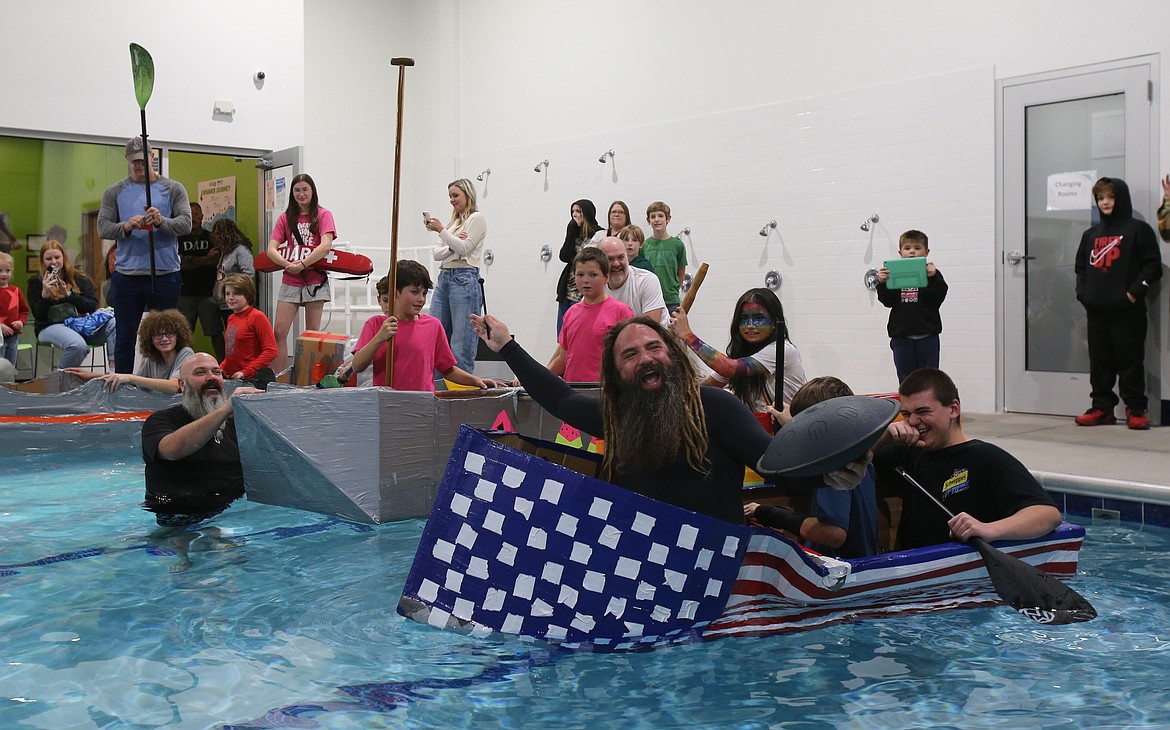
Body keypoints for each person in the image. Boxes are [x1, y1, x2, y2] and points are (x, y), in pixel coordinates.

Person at [471, 313, 868, 525]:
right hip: (638, 561)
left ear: (673, 357)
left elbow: (778, 468)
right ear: (617, 376)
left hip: (712, 563)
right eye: (630, 355)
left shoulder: (717, 408)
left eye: (654, 347)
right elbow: (560, 398)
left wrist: (832, 474)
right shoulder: (617, 416)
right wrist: (507, 346)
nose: (645, 358)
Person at [874, 368, 1062, 550]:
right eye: (906, 414)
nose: (913, 421)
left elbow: (1048, 514)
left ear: (953, 409)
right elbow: (851, 462)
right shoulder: (906, 453)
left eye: (923, 412)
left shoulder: (986, 458)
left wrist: (989, 530)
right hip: (917, 569)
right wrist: (883, 438)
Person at [141, 353, 263, 571]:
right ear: (181, 385)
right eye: (200, 372)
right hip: (179, 518)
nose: (211, 377)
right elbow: (171, 449)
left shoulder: (236, 425)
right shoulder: (161, 421)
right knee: (183, 571)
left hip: (229, 511)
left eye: (216, 372)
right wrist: (225, 410)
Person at [744, 376, 879, 559]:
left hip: (838, 572)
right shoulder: (859, 457)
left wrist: (768, 512)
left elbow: (834, 534)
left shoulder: (834, 467)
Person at [1073, 177, 1163, 429]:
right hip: (1097, 311)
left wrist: (1133, 294)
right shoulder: (1090, 235)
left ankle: (1135, 409)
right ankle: (1102, 409)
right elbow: (1081, 268)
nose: (1105, 202)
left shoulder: (1138, 230)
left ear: (1120, 198)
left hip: (1128, 311)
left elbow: (1153, 267)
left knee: (1130, 361)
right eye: (1100, 198)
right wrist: (1084, 294)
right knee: (1099, 363)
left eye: (1110, 197)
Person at [98, 136, 192, 374]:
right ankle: (122, 384)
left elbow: (186, 224)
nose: (138, 165)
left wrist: (161, 221)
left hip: (165, 272)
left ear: (152, 157)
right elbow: (103, 228)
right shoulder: (115, 191)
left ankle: (171, 382)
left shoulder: (173, 188)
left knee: (168, 335)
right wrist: (127, 226)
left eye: (142, 160)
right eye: (133, 162)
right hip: (127, 274)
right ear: (127, 160)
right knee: (125, 336)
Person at [349, 261, 504, 391]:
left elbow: (448, 370)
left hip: (424, 406)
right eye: (415, 292)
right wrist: (379, 338)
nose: (421, 299)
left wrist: (476, 381)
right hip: (387, 406)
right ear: (396, 292)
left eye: (424, 293)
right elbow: (357, 366)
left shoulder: (433, 325)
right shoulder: (376, 324)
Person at [670, 287, 806, 432]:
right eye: (744, 319)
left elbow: (728, 368)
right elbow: (704, 389)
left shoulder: (782, 350)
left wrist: (687, 335)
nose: (750, 325)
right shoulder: (742, 356)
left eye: (759, 319)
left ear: (775, 322)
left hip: (790, 433)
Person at [267, 173, 335, 372]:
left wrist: (303, 264)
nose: (301, 194)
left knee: (312, 333)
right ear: (292, 193)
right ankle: (277, 376)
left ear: (312, 191)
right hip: (291, 279)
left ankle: (308, 376)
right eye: (297, 190)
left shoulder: (323, 215)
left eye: (305, 189)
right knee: (279, 331)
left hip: (315, 280)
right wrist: (288, 264)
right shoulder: (285, 218)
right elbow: (272, 249)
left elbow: (325, 245)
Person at [425, 178, 486, 373]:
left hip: (464, 277)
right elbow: (436, 254)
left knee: (462, 341)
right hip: (446, 276)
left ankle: (461, 392)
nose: (452, 200)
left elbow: (465, 247)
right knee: (435, 335)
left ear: (468, 195)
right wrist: (451, 242)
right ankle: (435, 386)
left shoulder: (476, 219)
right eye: (450, 196)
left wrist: (443, 233)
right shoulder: (454, 224)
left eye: (455, 195)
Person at [548, 247, 634, 382]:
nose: (586, 280)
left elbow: (630, 358)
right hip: (573, 389)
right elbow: (562, 359)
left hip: (603, 390)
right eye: (580, 275)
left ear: (606, 277)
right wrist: (535, 379)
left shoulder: (621, 312)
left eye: (593, 275)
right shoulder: (571, 313)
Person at [27, 241, 115, 370]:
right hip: (51, 326)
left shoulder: (80, 278)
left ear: (64, 257)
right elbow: (39, 315)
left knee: (115, 323)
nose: (53, 262)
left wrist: (68, 295)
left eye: (57, 257)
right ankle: (59, 383)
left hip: (80, 325)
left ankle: (115, 370)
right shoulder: (36, 282)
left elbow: (91, 306)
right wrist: (45, 294)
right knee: (77, 345)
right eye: (48, 259)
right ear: (42, 261)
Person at [876, 229, 948, 384]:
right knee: (905, 377)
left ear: (926, 251)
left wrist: (933, 278)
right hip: (902, 335)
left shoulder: (932, 274)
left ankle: (929, 406)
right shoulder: (893, 274)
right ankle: (909, 407)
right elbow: (887, 301)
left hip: (927, 334)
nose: (912, 252)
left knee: (929, 377)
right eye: (907, 248)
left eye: (917, 248)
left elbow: (937, 299)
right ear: (900, 252)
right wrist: (881, 283)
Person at [66, 308, 194, 394]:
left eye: (170, 334)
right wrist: (92, 376)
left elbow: (174, 386)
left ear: (179, 335)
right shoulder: (152, 359)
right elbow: (133, 384)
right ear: (150, 339)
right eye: (158, 335)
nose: (164, 339)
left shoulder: (186, 353)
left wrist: (130, 377)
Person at [555, 199, 604, 335]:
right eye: (573, 212)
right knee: (563, 335)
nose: (575, 215)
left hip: (584, 292)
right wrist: (571, 231)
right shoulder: (574, 232)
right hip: (568, 290)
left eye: (578, 211)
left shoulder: (599, 234)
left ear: (587, 213)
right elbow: (564, 256)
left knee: (579, 333)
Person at [209, 218, 255, 361]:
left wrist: (233, 287)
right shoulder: (226, 253)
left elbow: (249, 273)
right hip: (223, 302)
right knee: (228, 337)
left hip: (235, 303)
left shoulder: (240, 251)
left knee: (237, 337)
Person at [176, 202, 221, 348]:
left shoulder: (211, 237)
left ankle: (222, 365)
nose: (193, 218)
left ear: (202, 216)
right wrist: (203, 259)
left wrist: (189, 258)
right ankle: (185, 364)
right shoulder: (178, 239)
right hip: (185, 293)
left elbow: (213, 262)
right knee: (184, 334)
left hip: (209, 293)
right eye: (190, 214)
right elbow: (178, 264)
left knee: (215, 332)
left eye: (196, 214)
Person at [596, 236, 667, 326]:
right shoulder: (596, 286)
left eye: (621, 257)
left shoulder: (646, 280)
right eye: (610, 259)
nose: (617, 264)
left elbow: (650, 328)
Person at [220, 273, 276, 381]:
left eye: (236, 293)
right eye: (227, 294)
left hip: (252, 379)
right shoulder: (231, 318)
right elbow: (232, 352)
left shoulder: (257, 317)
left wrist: (246, 372)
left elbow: (271, 351)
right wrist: (221, 368)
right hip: (233, 378)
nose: (230, 298)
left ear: (247, 294)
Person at [642, 201, 688, 314]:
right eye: (653, 217)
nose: (657, 219)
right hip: (650, 298)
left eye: (660, 216)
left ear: (668, 219)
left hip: (671, 298)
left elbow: (681, 271)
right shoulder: (644, 245)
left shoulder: (678, 245)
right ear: (648, 221)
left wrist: (675, 288)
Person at [0, 251, 29, 366]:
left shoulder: (16, 291)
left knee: (10, 367)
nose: (4, 274)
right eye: (0, 271)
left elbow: (24, 310)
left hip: (13, 337)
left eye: (7, 270)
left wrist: (21, 321)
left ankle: (9, 385)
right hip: (0, 337)